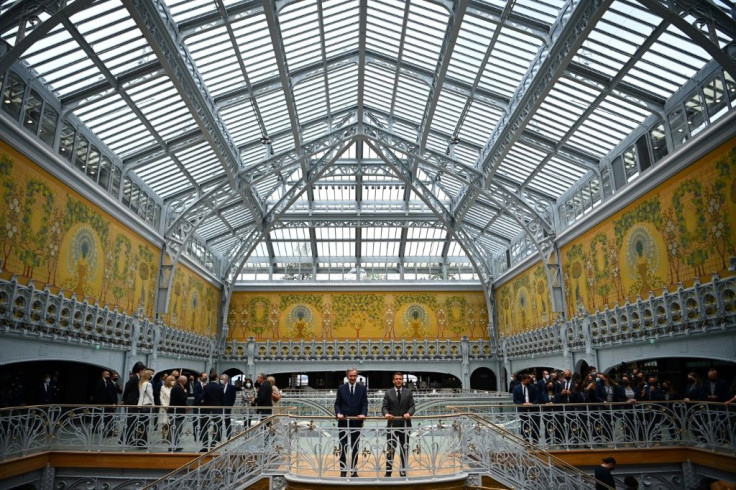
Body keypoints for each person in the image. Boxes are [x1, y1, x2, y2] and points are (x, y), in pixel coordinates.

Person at [334, 368, 368, 477]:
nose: (353, 378)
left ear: (357, 376)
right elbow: (337, 404)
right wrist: (338, 413)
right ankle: (343, 471)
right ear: (347, 376)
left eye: (354, 376)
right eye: (351, 376)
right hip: (343, 422)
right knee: (343, 447)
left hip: (356, 422)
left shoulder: (362, 388)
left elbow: (364, 404)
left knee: (355, 447)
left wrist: (363, 414)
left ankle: (353, 471)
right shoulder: (341, 388)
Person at [382, 372, 415, 477]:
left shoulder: (408, 392)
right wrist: (386, 413)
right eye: (396, 379)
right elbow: (384, 407)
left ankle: (403, 470)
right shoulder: (388, 393)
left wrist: (409, 413)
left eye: (400, 379)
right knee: (390, 449)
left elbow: (412, 406)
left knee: (404, 448)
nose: (398, 380)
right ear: (393, 381)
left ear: (402, 380)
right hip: (392, 424)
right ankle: (388, 471)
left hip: (405, 424)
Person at [121, 361, 146, 447]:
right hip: (132, 403)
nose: (144, 373)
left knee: (131, 422)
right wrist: (124, 400)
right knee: (130, 422)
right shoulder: (134, 378)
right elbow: (127, 389)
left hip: (134, 403)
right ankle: (125, 439)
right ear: (140, 371)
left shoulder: (137, 378)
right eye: (144, 370)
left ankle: (125, 439)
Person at [199, 371, 224, 451]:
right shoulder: (220, 387)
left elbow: (202, 397)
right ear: (216, 378)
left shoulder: (206, 387)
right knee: (216, 427)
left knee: (205, 427)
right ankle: (213, 444)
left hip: (206, 410)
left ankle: (205, 445)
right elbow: (222, 400)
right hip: (217, 410)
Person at [512, 374, 538, 443]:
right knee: (524, 425)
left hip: (532, 409)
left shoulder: (532, 387)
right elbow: (515, 400)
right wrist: (523, 404)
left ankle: (535, 442)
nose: (528, 382)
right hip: (522, 409)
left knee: (534, 425)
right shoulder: (516, 388)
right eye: (527, 381)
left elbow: (536, 398)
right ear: (523, 380)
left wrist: (532, 404)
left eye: (529, 381)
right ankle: (526, 441)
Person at [168, 375, 188, 452]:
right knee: (175, 429)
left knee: (176, 430)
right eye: (185, 380)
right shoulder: (179, 388)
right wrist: (185, 393)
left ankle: (175, 445)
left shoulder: (177, 387)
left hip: (176, 412)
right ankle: (173, 446)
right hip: (176, 412)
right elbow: (182, 399)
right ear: (183, 381)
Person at [136, 368, 154, 447]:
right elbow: (151, 396)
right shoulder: (148, 384)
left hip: (141, 405)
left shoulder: (141, 383)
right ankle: (143, 442)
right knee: (145, 424)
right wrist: (154, 404)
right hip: (147, 405)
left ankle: (140, 441)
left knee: (141, 424)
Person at [159, 375, 175, 445]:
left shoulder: (174, 388)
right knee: (164, 423)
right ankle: (163, 438)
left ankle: (169, 438)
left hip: (171, 408)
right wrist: (165, 406)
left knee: (170, 423)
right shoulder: (163, 387)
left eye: (174, 380)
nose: (173, 381)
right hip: (164, 408)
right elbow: (161, 397)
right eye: (172, 380)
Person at [221, 373, 236, 439]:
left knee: (227, 422)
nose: (221, 380)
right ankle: (218, 436)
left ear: (226, 380)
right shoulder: (219, 386)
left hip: (227, 407)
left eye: (223, 379)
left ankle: (228, 436)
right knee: (219, 422)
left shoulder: (231, 387)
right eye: (221, 379)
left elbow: (233, 397)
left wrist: (230, 406)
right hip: (220, 407)